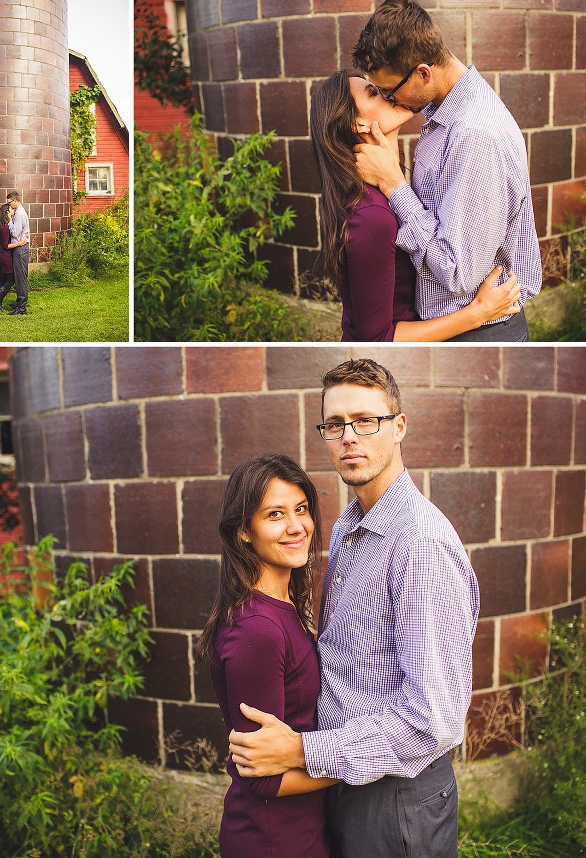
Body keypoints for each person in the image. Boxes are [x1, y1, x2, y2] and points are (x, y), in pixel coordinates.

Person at [229, 359, 480, 858]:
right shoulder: (348, 525)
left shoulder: (419, 543)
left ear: (399, 427)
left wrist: (303, 751)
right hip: (346, 779)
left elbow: (434, 720)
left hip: (398, 800)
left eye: (367, 421)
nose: (350, 437)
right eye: (335, 424)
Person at [351, 0, 542, 342]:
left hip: (480, 331)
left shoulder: (473, 135)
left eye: (389, 90)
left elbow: (458, 271)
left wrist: (394, 184)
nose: (389, 100)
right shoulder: (446, 117)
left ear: (423, 73)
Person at [195, 453, 337, 858]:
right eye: (275, 514)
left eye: (302, 509)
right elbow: (262, 779)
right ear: (244, 530)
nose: (296, 527)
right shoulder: (257, 630)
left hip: (304, 830)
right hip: (273, 841)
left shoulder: (282, 604)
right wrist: (360, 766)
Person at [311, 70, 521, 342]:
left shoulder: (385, 188)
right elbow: (378, 340)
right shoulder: (371, 216)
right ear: (358, 124)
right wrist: (477, 313)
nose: (386, 92)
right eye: (374, 92)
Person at [0, 202, 28, 313]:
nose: (13, 210)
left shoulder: (4, 224)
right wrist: (21, 243)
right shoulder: (5, 228)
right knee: (10, 280)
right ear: (7, 213)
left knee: (3, 279)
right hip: (5, 256)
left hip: (3, 255)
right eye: (11, 209)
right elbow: (6, 245)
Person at [6, 191, 30, 315]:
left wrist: (10, 219)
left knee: (20, 278)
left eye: (10, 203)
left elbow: (15, 233)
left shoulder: (20, 214)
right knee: (19, 277)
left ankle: (21, 308)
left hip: (21, 249)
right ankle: (19, 303)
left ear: (15, 201)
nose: (9, 205)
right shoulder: (18, 212)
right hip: (20, 248)